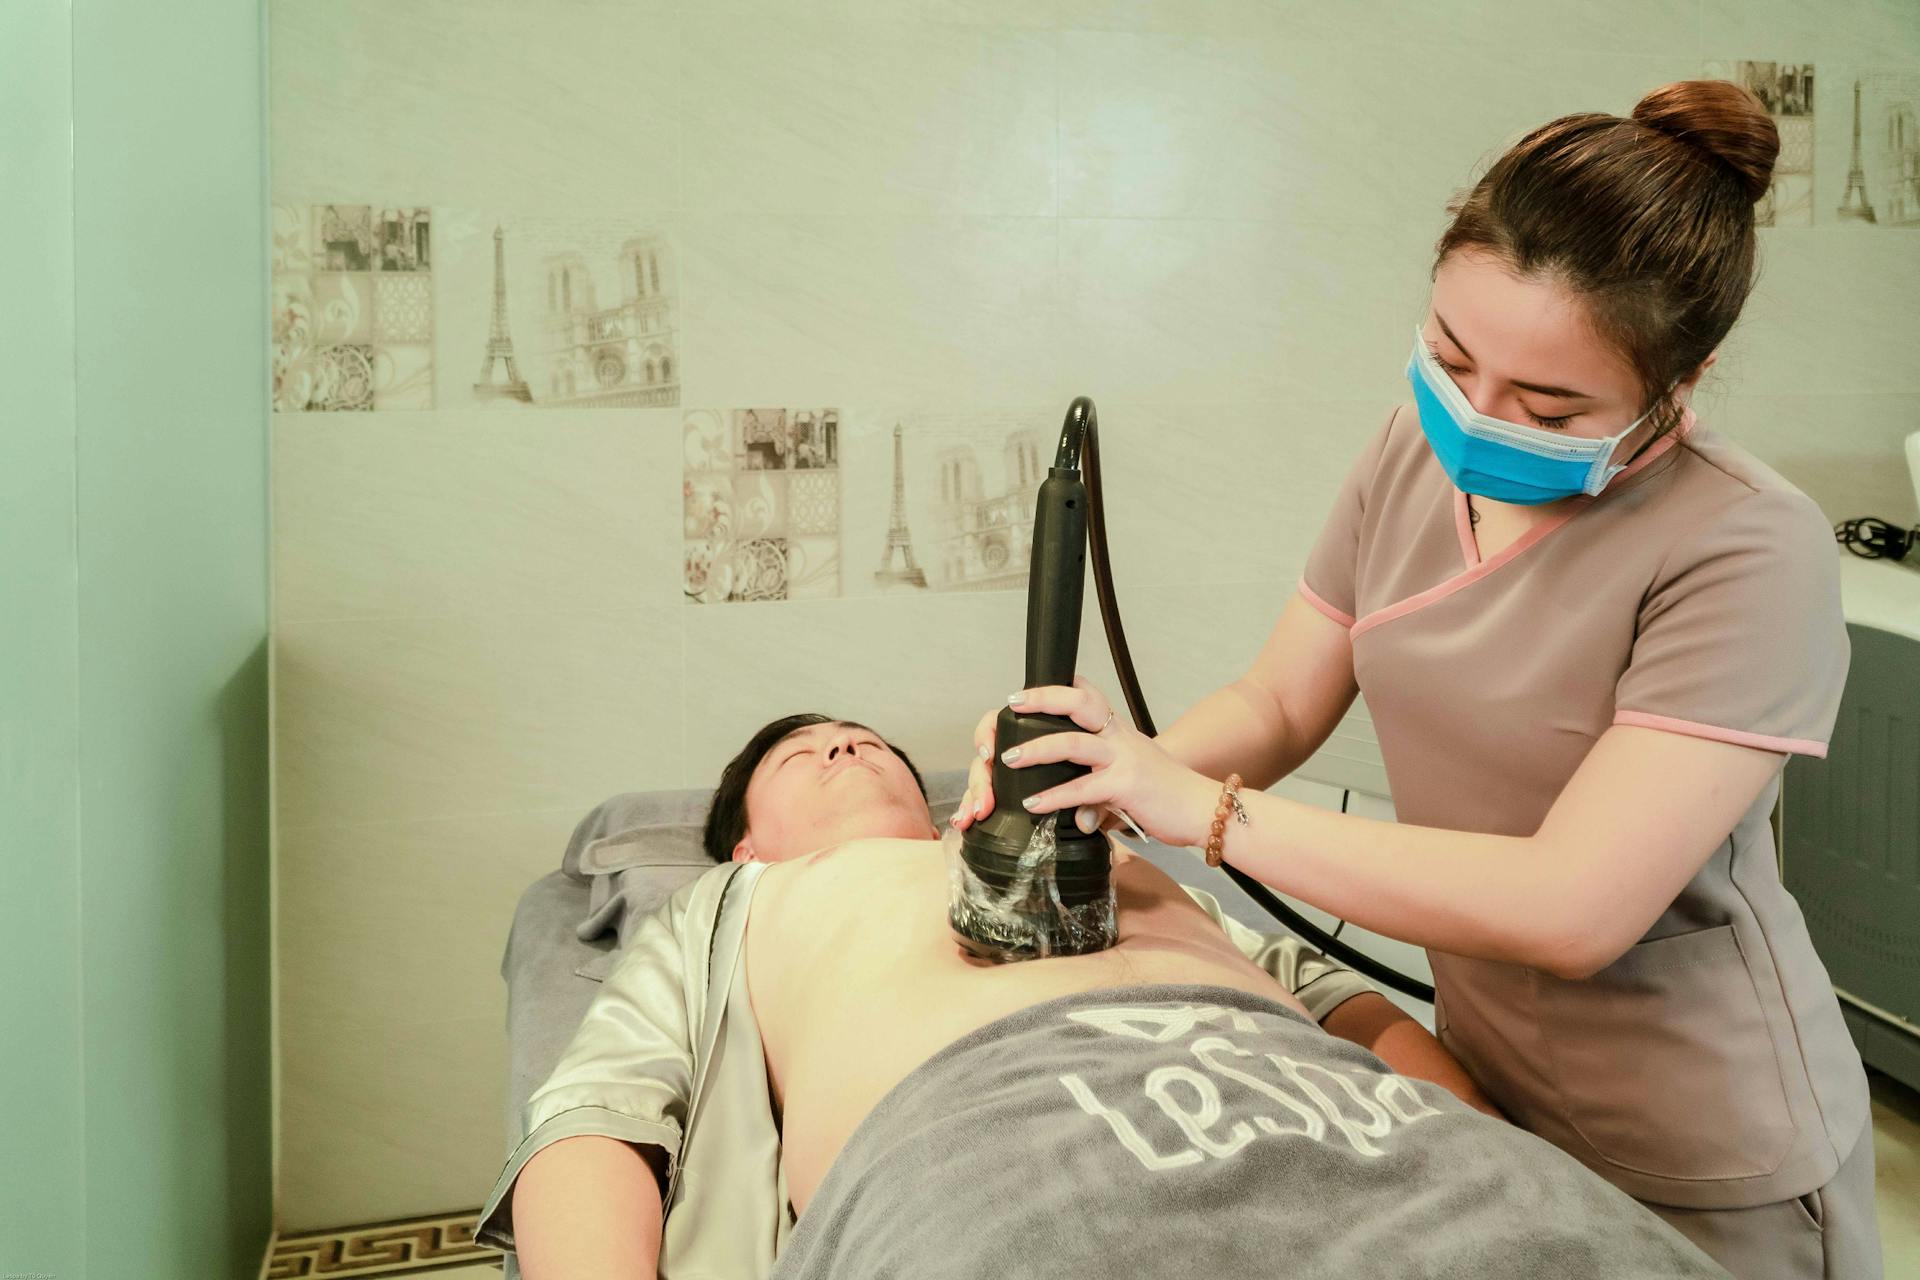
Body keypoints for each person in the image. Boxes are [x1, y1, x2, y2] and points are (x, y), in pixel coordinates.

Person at [955, 79, 1877, 1279]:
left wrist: (1207, 813)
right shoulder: (1409, 449)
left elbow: (1573, 905)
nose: (1478, 416)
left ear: (1679, 388)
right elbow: (1283, 700)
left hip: (1705, 1142)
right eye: (1451, 357)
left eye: (1549, 406)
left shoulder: (1749, 546)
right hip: (1482, 1083)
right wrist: (1111, 771)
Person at [477, 716, 1725, 1279]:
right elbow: (595, 1114)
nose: (845, 745)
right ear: (744, 842)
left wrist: (1476, 1137)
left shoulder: (1098, 855)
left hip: (1342, 1121)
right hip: (985, 1151)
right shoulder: (731, 910)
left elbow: (1337, 999)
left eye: (865, 738)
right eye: (802, 753)